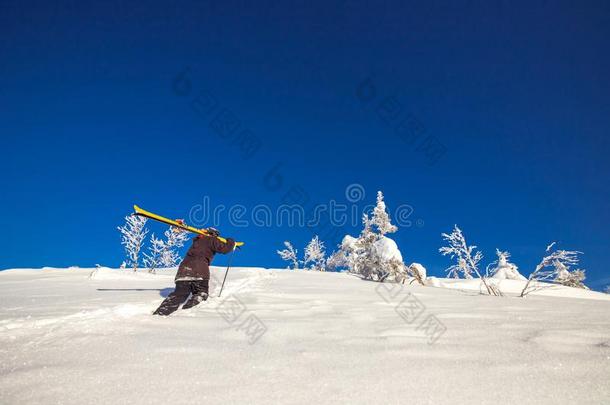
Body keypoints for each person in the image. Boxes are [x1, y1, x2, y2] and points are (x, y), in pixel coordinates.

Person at [153, 222, 235, 316]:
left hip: (183, 272)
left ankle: (160, 313)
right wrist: (231, 241)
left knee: (178, 295)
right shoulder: (212, 239)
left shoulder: (197, 242)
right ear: (214, 234)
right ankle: (187, 314)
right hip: (199, 272)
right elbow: (225, 249)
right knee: (201, 293)